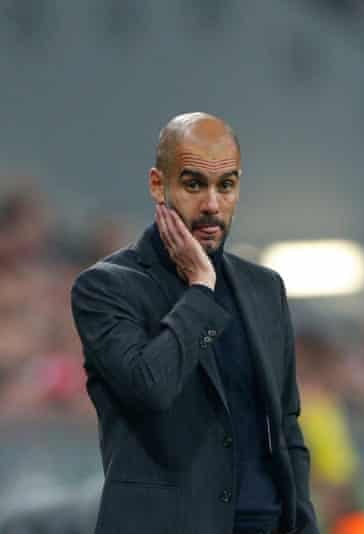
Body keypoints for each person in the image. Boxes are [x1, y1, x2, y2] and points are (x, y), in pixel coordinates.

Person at [70, 112, 318, 534]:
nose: (211, 205)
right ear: (157, 184)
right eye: (193, 184)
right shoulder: (105, 288)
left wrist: (303, 524)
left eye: (226, 185)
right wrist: (201, 288)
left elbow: (286, 424)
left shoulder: (264, 288)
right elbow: (151, 386)